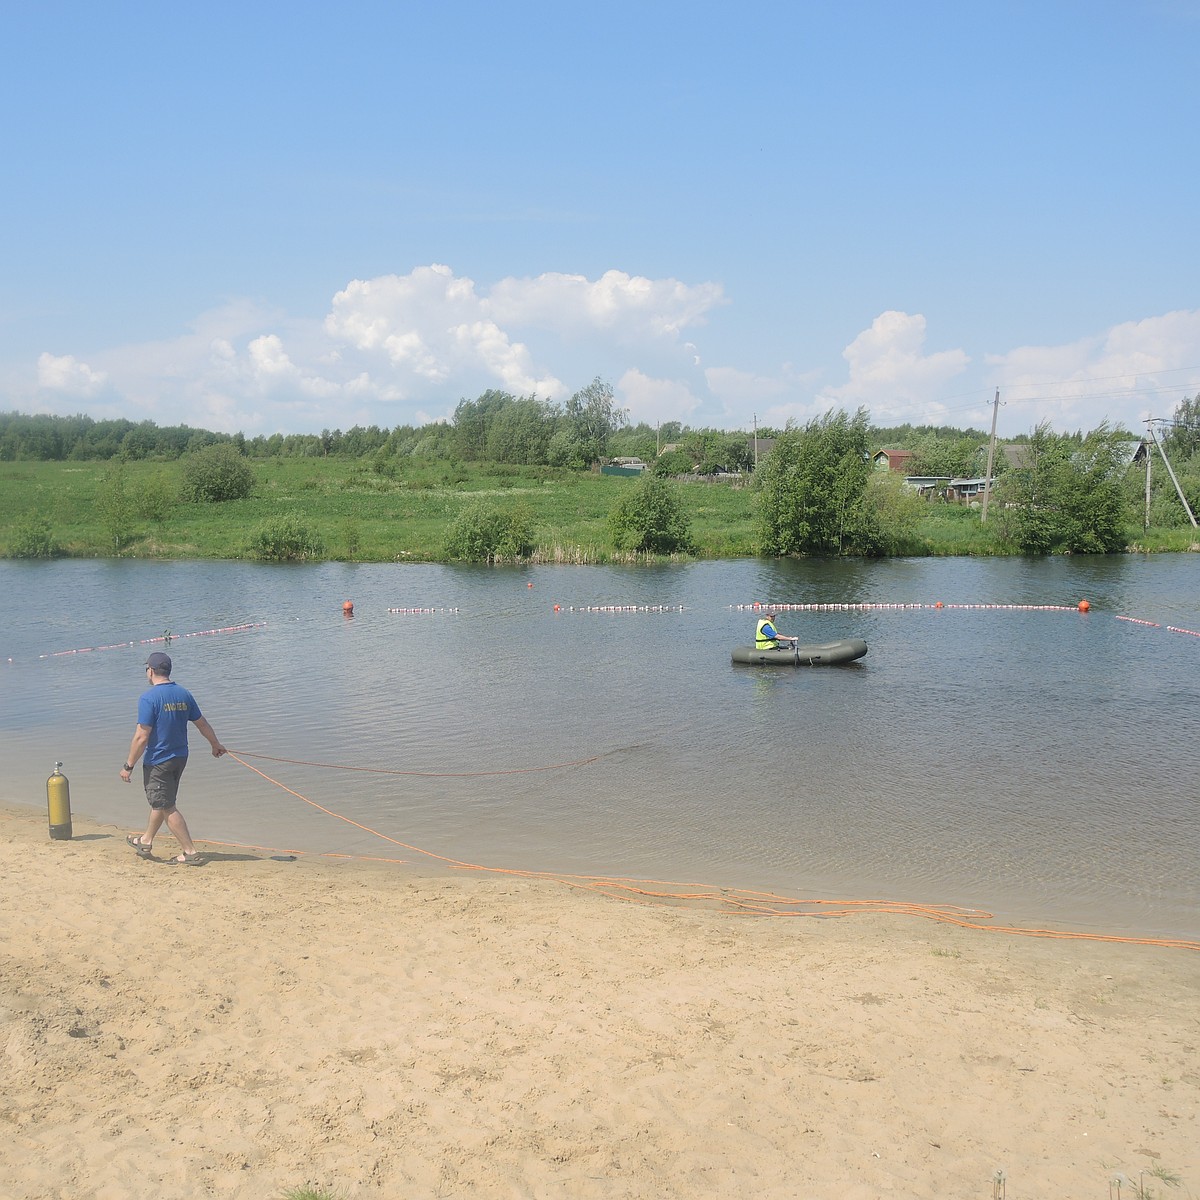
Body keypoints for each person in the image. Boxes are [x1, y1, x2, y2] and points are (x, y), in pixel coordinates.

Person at [120, 651, 227, 865]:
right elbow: (202, 723)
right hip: (180, 758)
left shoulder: (148, 698)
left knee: (167, 805)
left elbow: (141, 736)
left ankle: (190, 852)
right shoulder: (183, 694)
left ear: (150, 671)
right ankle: (146, 840)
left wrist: (128, 765)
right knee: (162, 801)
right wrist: (215, 744)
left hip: (159, 760)